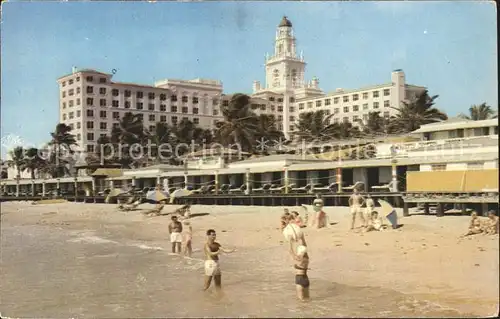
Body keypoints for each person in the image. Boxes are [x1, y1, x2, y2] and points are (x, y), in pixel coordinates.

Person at [289, 234, 310, 301]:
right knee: (307, 298)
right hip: (306, 278)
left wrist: (290, 241)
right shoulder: (306, 258)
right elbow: (305, 247)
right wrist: (303, 238)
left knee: (301, 300)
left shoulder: (299, 259)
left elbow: (290, 251)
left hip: (299, 279)